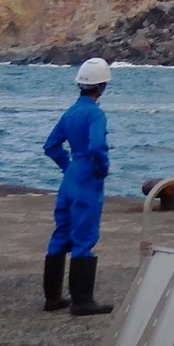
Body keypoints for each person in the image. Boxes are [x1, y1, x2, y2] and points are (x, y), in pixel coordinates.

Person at [44, 57, 114, 316]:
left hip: (71, 176)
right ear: (101, 86)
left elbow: (51, 146)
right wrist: (101, 167)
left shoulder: (71, 112)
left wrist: (67, 166)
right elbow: (96, 146)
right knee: (84, 236)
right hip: (86, 177)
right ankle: (82, 300)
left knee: (61, 233)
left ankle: (52, 297)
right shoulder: (95, 113)